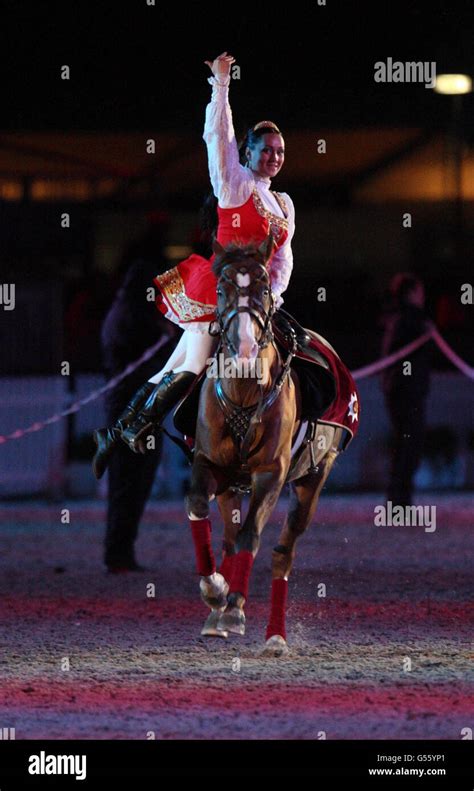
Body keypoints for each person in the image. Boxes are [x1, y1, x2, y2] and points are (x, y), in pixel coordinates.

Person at [92, 50, 296, 474]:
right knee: (191, 364)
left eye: (279, 150)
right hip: (218, 289)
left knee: (174, 365)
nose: (274, 156)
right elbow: (217, 137)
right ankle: (135, 430)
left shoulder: (284, 203)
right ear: (248, 151)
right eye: (266, 150)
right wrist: (221, 85)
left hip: (256, 300)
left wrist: (273, 298)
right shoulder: (234, 182)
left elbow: (283, 261)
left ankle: (114, 434)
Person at [99, 219, 179, 572]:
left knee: (131, 480)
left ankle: (120, 551)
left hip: (134, 407)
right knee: (131, 479)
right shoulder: (135, 316)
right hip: (133, 409)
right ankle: (118, 552)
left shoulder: (122, 313)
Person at [380, 273, 433, 506]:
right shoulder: (410, 319)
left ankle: (399, 499)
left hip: (401, 391)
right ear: (411, 293)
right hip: (406, 392)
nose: (423, 297)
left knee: (405, 443)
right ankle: (399, 501)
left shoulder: (399, 317)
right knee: (408, 444)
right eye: (420, 292)